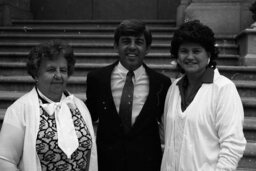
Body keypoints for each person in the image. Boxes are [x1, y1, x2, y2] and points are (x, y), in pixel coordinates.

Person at [86, 19, 171, 171]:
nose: (132, 47)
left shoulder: (162, 83)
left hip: (147, 164)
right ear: (115, 46)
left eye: (139, 42)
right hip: (108, 163)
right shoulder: (97, 79)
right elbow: (88, 117)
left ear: (148, 48)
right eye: (126, 41)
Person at [160, 20, 246, 171]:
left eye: (196, 51)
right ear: (177, 55)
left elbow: (233, 145)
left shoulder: (223, 89)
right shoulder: (174, 88)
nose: (190, 56)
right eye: (184, 51)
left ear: (209, 54)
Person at [0, 40, 98, 171]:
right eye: (51, 70)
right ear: (36, 74)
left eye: (63, 70)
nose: (58, 75)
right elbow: (5, 160)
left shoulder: (79, 106)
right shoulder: (19, 110)